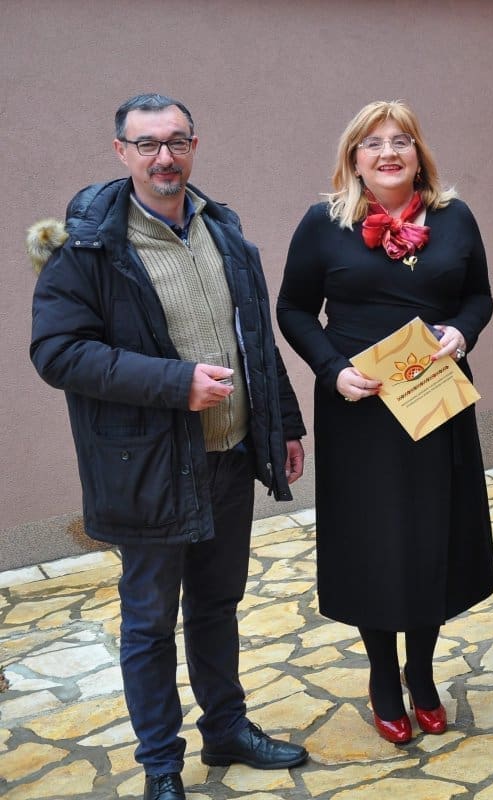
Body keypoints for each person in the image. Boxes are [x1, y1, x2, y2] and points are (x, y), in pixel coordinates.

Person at [29, 94, 308, 800]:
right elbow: (58, 353)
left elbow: (255, 339)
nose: (164, 157)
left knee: (217, 605)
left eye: (177, 142)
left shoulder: (223, 229)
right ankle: (161, 766)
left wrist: (283, 422)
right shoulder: (88, 248)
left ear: (194, 147)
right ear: (121, 151)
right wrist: (175, 383)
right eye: (148, 144)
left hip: (229, 456)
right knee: (150, 624)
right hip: (146, 469)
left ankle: (227, 729)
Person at [276, 100, 493, 746]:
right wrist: (331, 369)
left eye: (401, 140)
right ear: (354, 158)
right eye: (372, 143)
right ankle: (381, 676)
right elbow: (292, 309)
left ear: (419, 153)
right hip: (361, 410)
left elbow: (479, 296)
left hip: (434, 402)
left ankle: (420, 672)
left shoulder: (455, 218)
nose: (388, 152)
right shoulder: (323, 225)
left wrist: (462, 332)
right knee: (374, 541)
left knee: (433, 536)